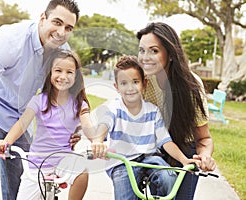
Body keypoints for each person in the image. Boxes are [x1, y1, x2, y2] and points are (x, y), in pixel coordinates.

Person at [0, 0, 81, 199]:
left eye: (68, 28)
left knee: (25, 187)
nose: (61, 32)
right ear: (43, 18)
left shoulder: (61, 50)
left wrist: (73, 127)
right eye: (56, 22)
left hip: (22, 120)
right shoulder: (10, 38)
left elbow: (62, 94)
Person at [91, 56, 200, 200]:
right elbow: (103, 126)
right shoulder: (114, 109)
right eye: (124, 83)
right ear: (116, 87)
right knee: (124, 194)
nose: (130, 88)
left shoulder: (152, 111)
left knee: (168, 178)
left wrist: (184, 160)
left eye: (135, 82)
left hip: (150, 159)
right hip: (123, 163)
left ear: (144, 83)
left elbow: (165, 141)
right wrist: (98, 141)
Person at [0, 49, 95, 200]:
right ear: (50, 73)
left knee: (82, 171)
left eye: (69, 72)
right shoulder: (39, 100)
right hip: (37, 163)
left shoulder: (79, 104)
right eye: (58, 70)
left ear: (76, 76)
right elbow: (22, 124)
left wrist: (96, 142)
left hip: (64, 160)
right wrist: (6, 142)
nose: (63, 76)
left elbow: (88, 125)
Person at [136, 22, 216, 199]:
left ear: (170, 55)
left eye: (154, 51)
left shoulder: (190, 86)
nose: (145, 57)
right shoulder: (140, 81)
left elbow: (204, 138)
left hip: (185, 149)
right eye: (141, 50)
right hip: (152, 149)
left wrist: (204, 157)